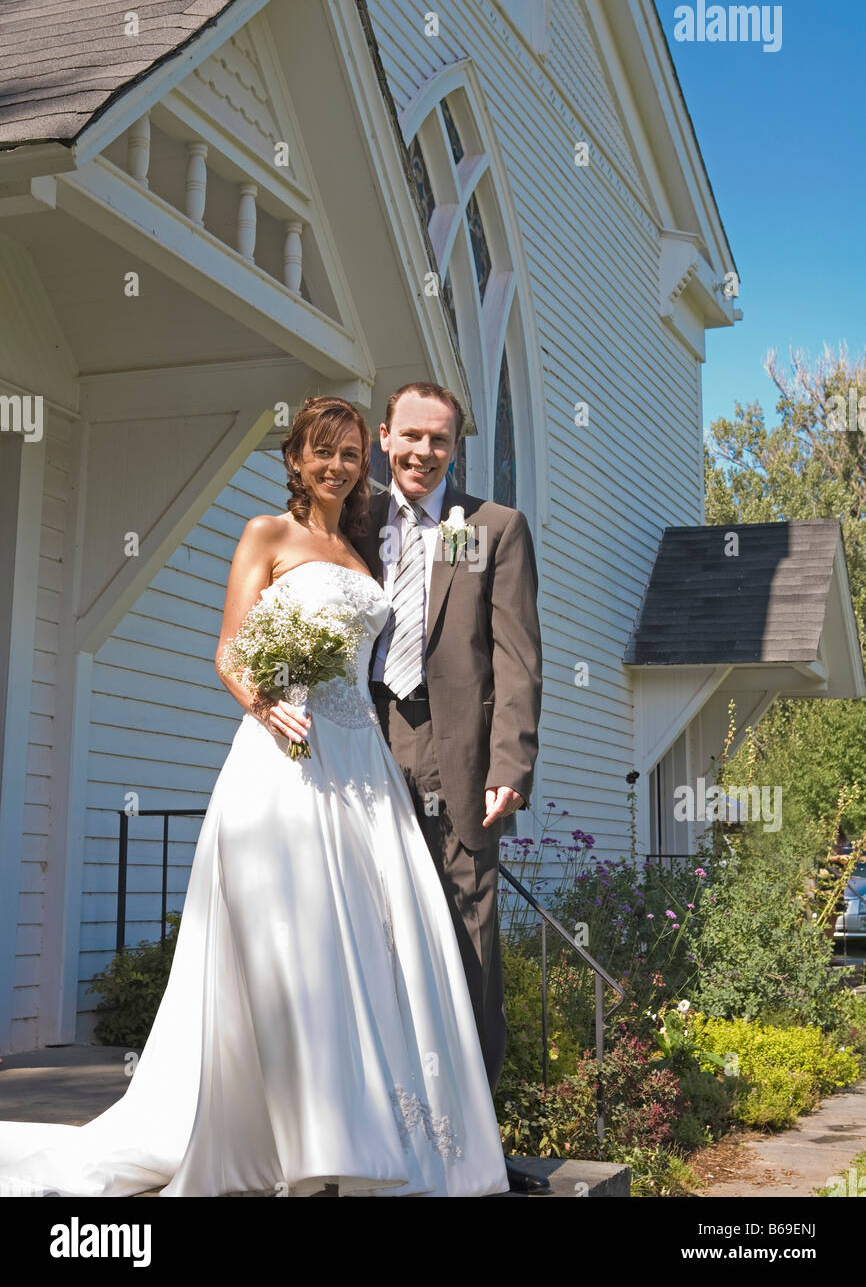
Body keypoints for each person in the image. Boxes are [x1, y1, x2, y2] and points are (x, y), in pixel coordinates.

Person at [0, 396, 509, 1198]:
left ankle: (369, 1127)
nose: (339, 466)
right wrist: (262, 702)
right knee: (294, 938)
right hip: (285, 756)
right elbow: (230, 648)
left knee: (368, 948)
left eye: (349, 454)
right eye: (323, 453)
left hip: (361, 765)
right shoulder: (263, 535)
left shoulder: (363, 548)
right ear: (295, 461)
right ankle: (298, 1142)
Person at [350, 382, 545, 1195]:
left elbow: (517, 658)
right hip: (359, 742)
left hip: (456, 755)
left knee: (469, 946)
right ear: (383, 436)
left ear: (456, 447)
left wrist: (511, 764)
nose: (423, 453)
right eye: (410, 437)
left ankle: (471, 1145)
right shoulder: (350, 522)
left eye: (440, 440)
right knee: (366, 935)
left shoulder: (488, 529)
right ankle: (373, 1134)